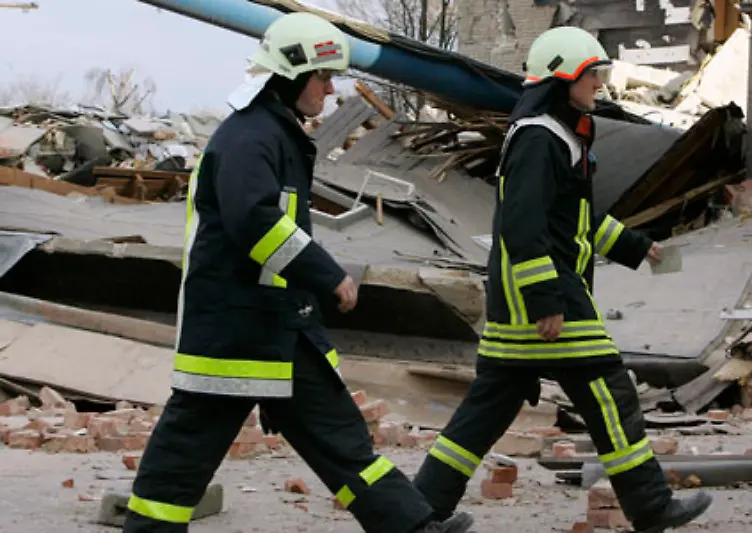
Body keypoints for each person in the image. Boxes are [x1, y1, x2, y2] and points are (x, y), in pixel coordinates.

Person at [122, 12, 475, 533]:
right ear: (290, 74)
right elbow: (254, 220)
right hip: (235, 332)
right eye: (324, 76)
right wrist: (326, 273)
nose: (331, 91)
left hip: (278, 328)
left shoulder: (273, 133)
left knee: (342, 441)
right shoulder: (250, 137)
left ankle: (414, 527)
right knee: (184, 455)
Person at [412, 26, 712, 533]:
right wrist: (545, 298)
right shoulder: (539, 138)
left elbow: (571, 219)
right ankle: (652, 508)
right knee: (609, 394)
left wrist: (637, 247)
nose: (599, 83)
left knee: (482, 415)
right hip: (550, 301)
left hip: (522, 306)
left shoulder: (552, 133)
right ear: (563, 77)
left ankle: (417, 513)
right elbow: (523, 226)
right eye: (592, 74)